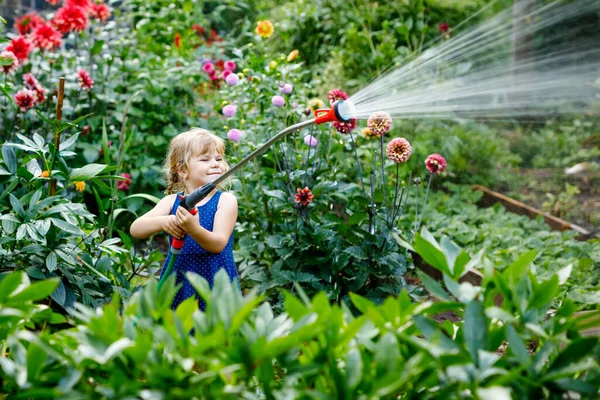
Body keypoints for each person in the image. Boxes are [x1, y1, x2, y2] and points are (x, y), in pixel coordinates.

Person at [130, 128, 238, 310]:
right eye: (205, 159)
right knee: (177, 328)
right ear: (182, 169)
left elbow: (218, 243)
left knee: (214, 331)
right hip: (180, 276)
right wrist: (164, 222)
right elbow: (136, 228)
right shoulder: (172, 202)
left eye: (219, 159)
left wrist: (193, 229)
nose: (215, 164)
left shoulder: (225, 201)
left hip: (216, 277)